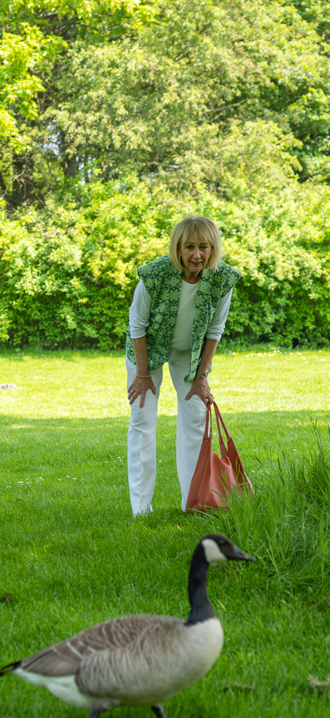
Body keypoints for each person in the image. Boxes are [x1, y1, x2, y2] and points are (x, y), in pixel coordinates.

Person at [126, 216, 240, 515]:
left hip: (190, 354)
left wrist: (202, 376)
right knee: (142, 420)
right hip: (147, 351)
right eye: (189, 247)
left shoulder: (223, 278)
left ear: (213, 248)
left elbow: (215, 329)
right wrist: (141, 374)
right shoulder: (154, 274)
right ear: (177, 248)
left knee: (195, 419)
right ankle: (141, 508)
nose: (197, 255)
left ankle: (194, 502)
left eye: (204, 246)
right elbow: (136, 323)